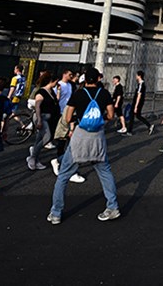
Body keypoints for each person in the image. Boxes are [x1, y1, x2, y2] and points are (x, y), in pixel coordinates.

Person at [47, 66, 120, 224]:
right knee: (104, 171)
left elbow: (67, 118)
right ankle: (112, 207)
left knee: (64, 175)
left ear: (85, 79)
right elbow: (111, 115)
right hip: (98, 136)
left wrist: (75, 121)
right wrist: (102, 121)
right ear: (99, 79)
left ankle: (56, 213)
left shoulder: (78, 94)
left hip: (80, 136)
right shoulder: (105, 94)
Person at [27, 73, 60, 171]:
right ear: (52, 81)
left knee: (39, 138)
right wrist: (39, 120)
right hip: (41, 117)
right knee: (47, 137)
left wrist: (58, 91)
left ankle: (35, 158)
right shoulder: (41, 92)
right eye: (56, 82)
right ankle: (33, 157)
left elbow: (56, 101)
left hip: (49, 117)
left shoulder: (51, 91)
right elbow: (37, 106)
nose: (57, 84)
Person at [130, 70, 154, 135]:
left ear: (139, 76)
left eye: (137, 75)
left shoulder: (141, 84)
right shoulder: (140, 84)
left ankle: (129, 130)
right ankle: (149, 125)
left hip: (137, 102)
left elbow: (139, 95)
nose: (136, 76)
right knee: (138, 115)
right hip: (138, 102)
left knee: (133, 115)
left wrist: (136, 106)